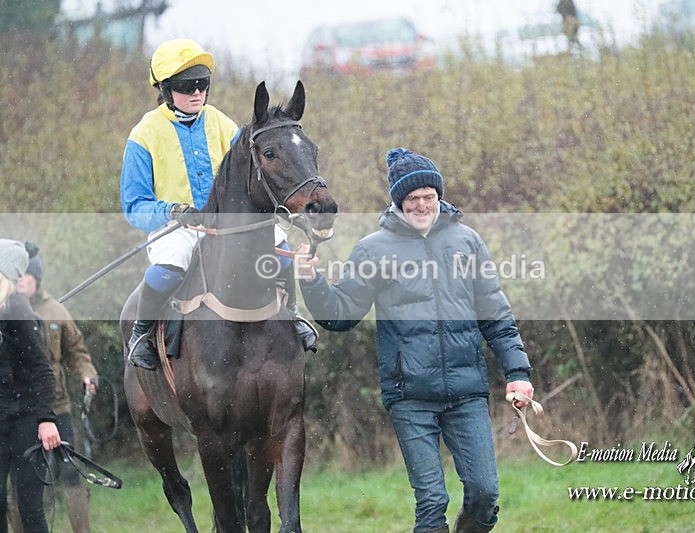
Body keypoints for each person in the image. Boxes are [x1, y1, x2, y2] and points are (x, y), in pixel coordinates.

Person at [296, 148, 535, 533]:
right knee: (432, 501)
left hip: (466, 391)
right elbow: (340, 314)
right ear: (399, 202)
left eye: (429, 196)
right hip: (410, 395)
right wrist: (311, 281)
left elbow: (497, 316)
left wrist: (518, 372)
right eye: (413, 198)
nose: (422, 205)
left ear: (438, 196)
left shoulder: (468, 241)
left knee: (485, 494)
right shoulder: (373, 249)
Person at [120, 38, 316, 371]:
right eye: (186, 86)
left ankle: (293, 315)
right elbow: (134, 205)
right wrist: (172, 211)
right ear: (166, 89)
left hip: (228, 225)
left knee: (280, 255)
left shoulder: (222, 123)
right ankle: (142, 332)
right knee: (169, 270)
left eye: (202, 84)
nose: (197, 93)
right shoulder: (144, 135)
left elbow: (256, 171)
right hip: (177, 227)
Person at [11, 245, 97, 533]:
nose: (22, 280)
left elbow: (77, 351)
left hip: (57, 408)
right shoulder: (7, 312)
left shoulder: (56, 310)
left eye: (28, 276)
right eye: (18, 275)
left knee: (71, 472)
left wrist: (87, 375)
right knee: (22, 482)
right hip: (21, 411)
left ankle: (80, 529)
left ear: (37, 279)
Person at [0, 239, 62, 533]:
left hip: (25, 420)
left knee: (30, 511)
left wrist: (46, 419)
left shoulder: (18, 310)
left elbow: (42, 371)